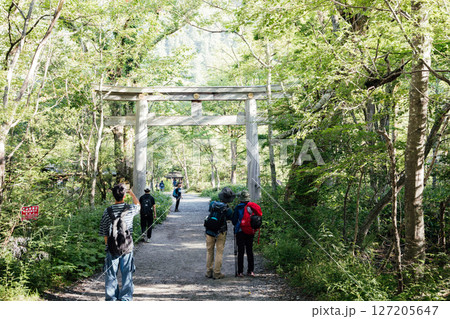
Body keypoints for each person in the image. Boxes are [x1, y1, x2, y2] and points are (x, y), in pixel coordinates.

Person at [99, 183, 140, 301]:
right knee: (127, 273)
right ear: (124, 195)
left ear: (113, 196)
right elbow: (138, 205)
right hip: (127, 247)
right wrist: (131, 193)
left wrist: (108, 246)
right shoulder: (130, 209)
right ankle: (126, 298)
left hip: (112, 248)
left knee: (111, 275)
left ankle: (112, 298)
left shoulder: (107, 211)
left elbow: (104, 232)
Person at [205, 187, 235, 279]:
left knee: (209, 251)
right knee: (219, 252)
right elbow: (232, 219)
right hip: (221, 232)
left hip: (209, 230)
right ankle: (217, 273)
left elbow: (210, 211)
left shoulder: (212, 204)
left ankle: (208, 272)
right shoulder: (228, 209)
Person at [232, 190, 255, 277]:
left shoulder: (238, 207)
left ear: (241, 199)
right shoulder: (252, 206)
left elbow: (234, 221)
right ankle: (251, 271)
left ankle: (240, 272)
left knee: (240, 251)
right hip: (250, 231)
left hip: (240, 232)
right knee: (250, 251)